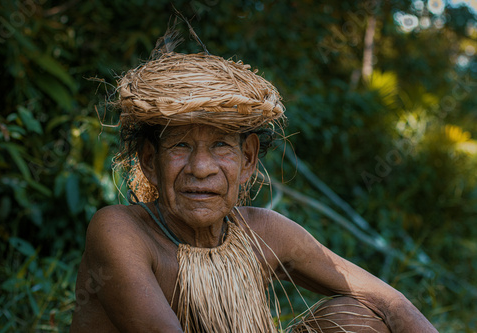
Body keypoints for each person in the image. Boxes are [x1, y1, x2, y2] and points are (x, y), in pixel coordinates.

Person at [70, 43, 438, 333]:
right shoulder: (120, 231)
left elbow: (392, 304)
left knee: (358, 319)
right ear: (150, 160)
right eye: (180, 145)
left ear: (247, 160)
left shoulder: (263, 232)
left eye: (221, 146)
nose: (201, 168)